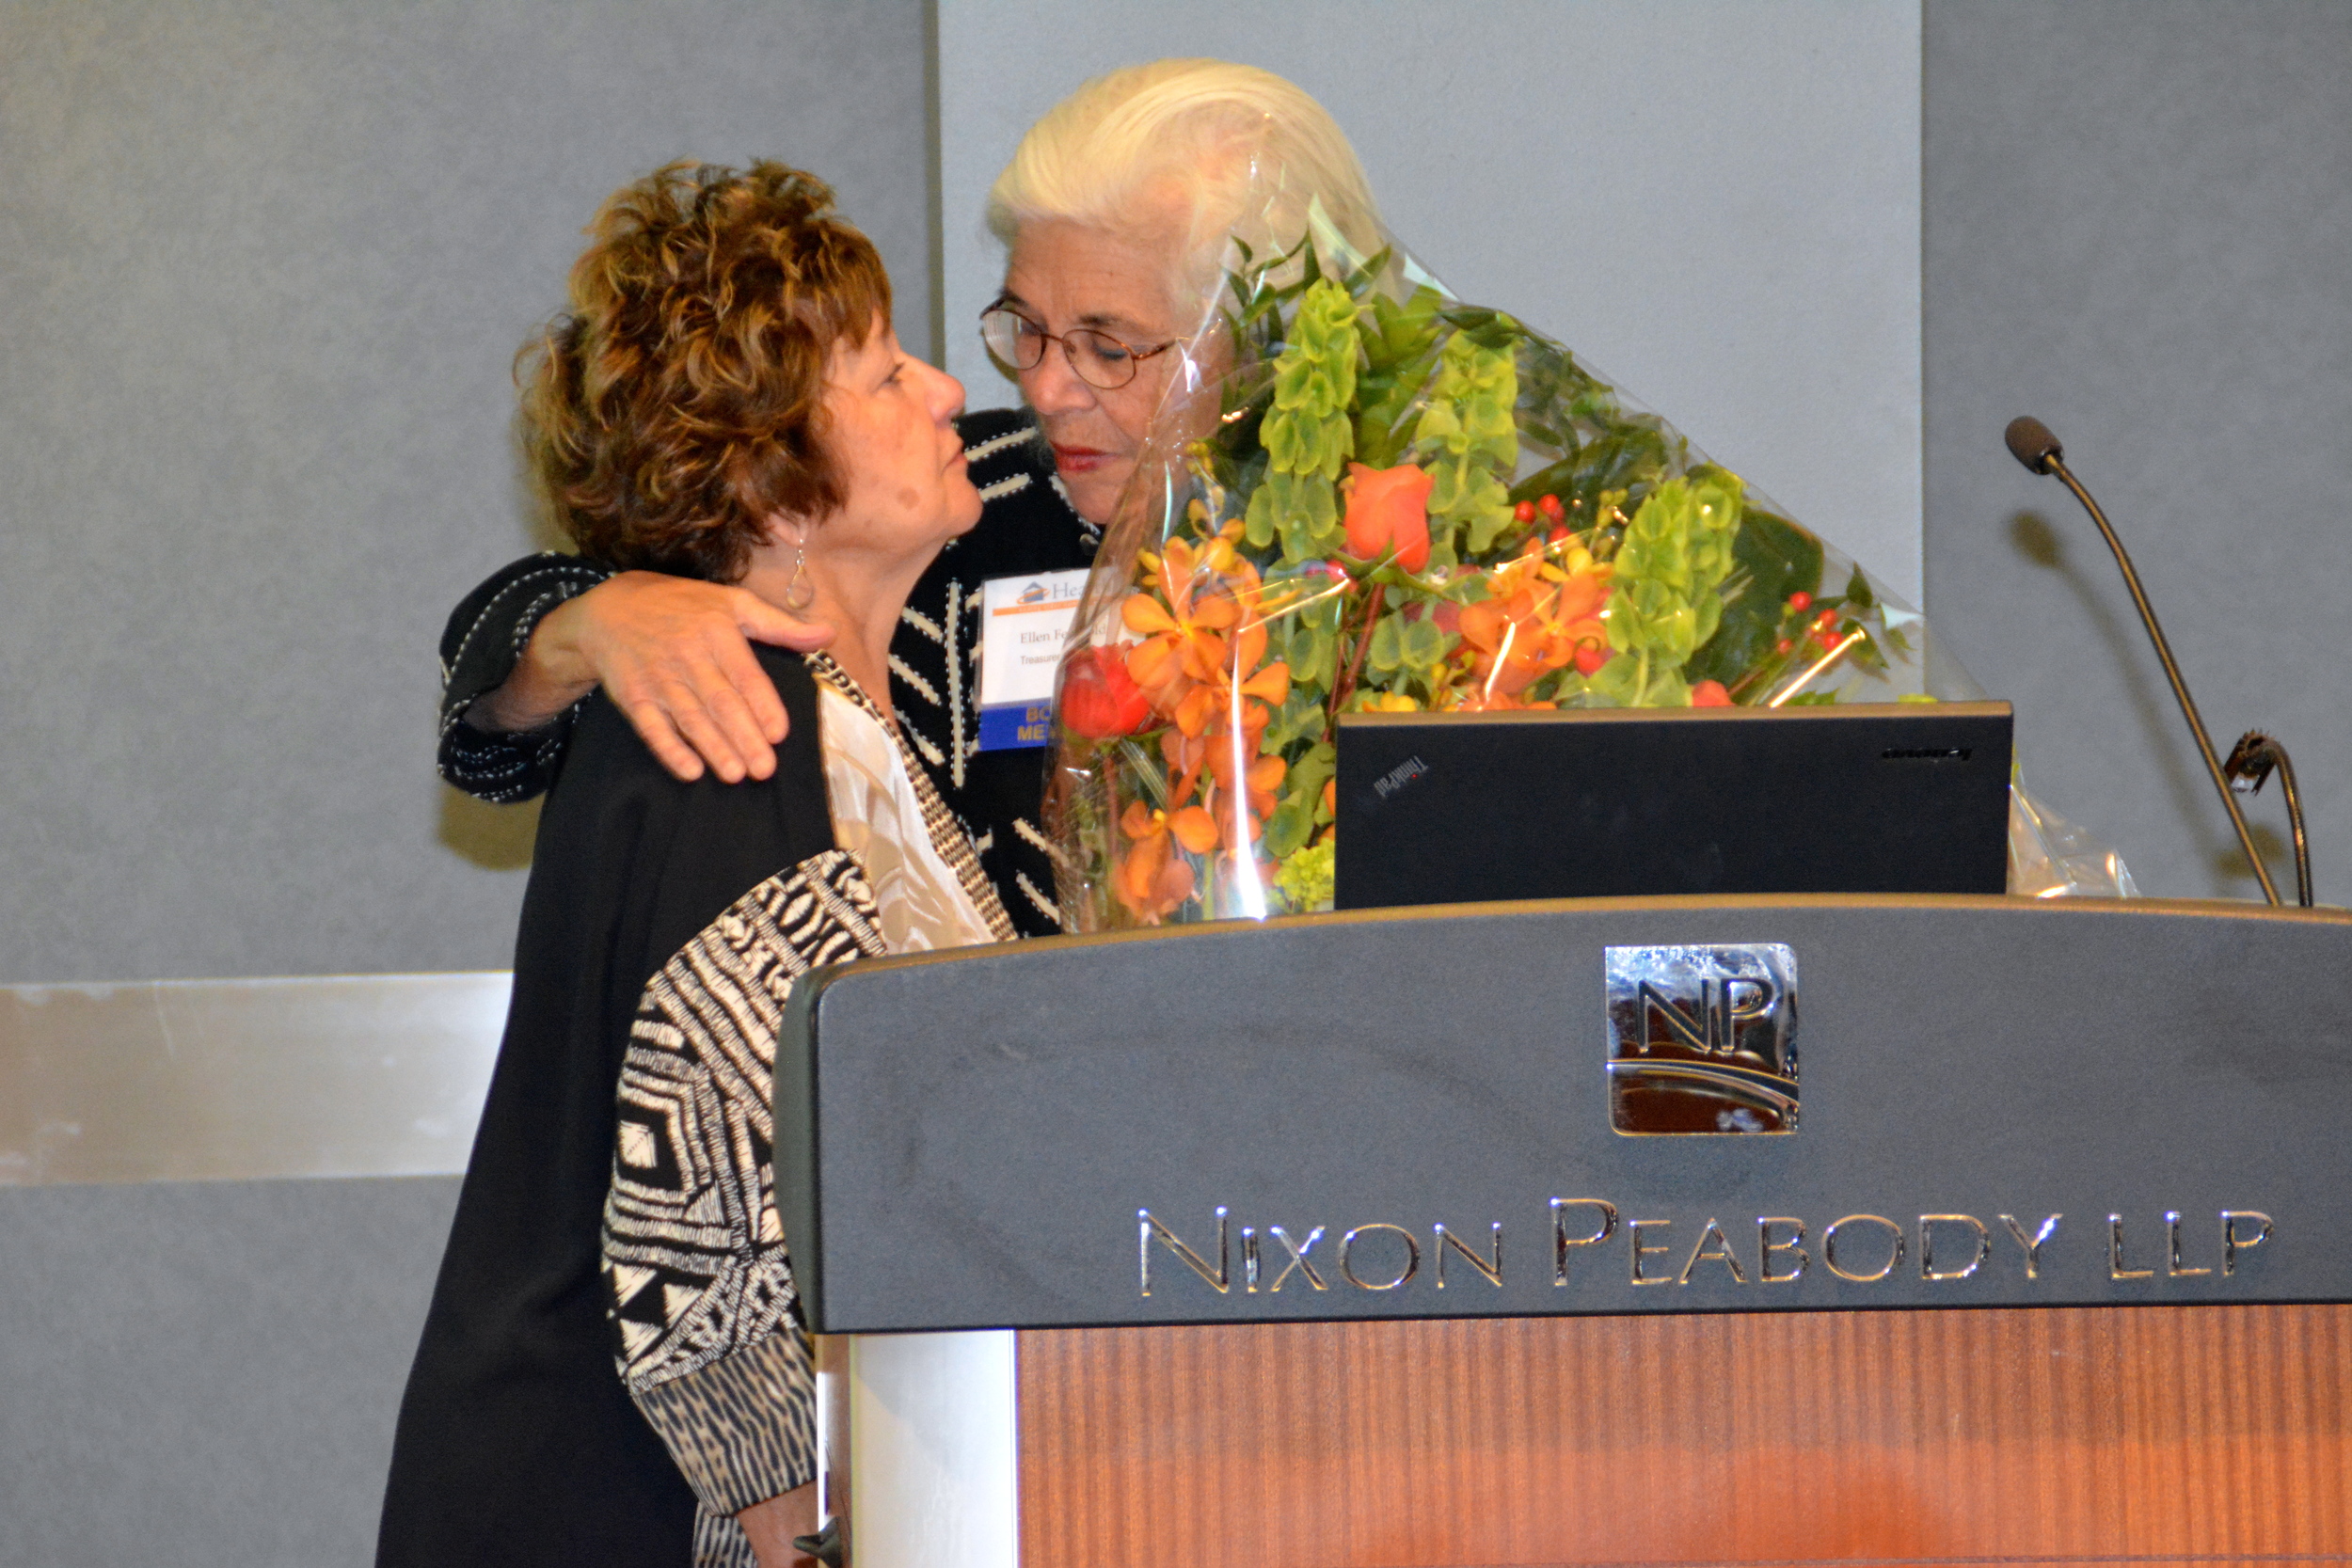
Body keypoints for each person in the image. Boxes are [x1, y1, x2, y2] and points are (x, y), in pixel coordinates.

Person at [381, 160, 1011, 1568]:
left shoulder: (836, 724)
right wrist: (818, 1535)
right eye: (886, 369)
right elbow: (706, 1236)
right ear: (778, 492)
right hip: (629, 1510)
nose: (951, 390)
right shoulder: (738, 723)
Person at [437, 60, 1382, 935]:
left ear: (1250, 344)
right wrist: (587, 622)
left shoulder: (1386, 559)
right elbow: (501, 732)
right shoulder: (973, 494)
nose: (1046, 391)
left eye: (1108, 346)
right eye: (1026, 329)